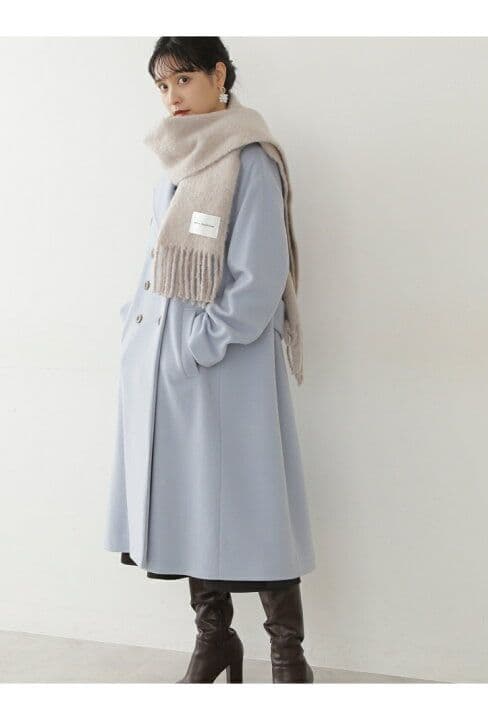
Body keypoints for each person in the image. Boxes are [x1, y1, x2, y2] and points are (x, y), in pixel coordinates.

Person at [104, 36, 316, 683]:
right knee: (189, 505)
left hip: (223, 366)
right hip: (162, 366)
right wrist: (137, 330)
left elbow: (260, 277)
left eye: (184, 79)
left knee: (254, 509)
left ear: (219, 75)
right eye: (162, 85)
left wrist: (202, 343)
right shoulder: (175, 161)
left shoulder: (251, 159)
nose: (172, 96)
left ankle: (289, 658)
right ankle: (215, 641)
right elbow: (153, 265)